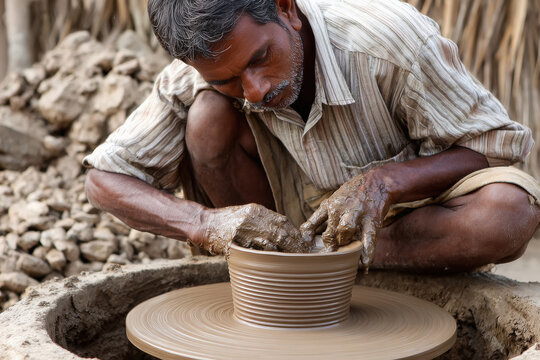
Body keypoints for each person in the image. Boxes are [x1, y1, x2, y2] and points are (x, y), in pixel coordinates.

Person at [84, 0, 540, 272]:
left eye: (261, 57)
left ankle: (319, 267)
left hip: (403, 220)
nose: (256, 90)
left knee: (507, 213)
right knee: (207, 118)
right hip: (279, 224)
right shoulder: (198, 74)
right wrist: (205, 223)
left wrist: (384, 182)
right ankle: (270, 269)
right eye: (230, 80)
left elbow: (497, 144)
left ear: (286, 8)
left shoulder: (389, 41)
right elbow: (103, 180)